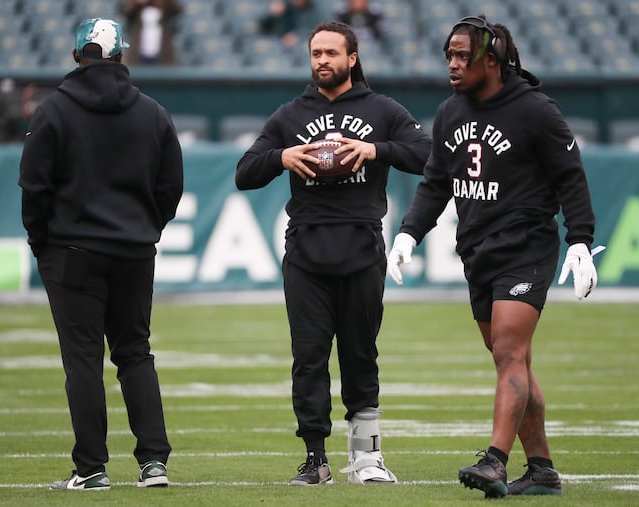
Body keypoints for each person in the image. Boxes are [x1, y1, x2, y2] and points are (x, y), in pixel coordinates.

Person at [387, 15, 598, 498]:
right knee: (514, 360)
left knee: (508, 352)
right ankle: (542, 469)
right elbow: (436, 182)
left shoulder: (536, 111)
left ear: (492, 60)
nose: (453, 65)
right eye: (450, 56)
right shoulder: (449, 112)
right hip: (476, 251)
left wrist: (581, 239)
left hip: (525, 247)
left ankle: (495, 461)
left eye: (463, 57)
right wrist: (408, 235)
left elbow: (571, 176)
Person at [236, 21, 431, 486]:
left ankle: (367, 458)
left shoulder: (381, 109)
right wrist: (280, 156)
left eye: (331, 53)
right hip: (306, 251)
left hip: (362, 246)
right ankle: (315, 459)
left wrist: (375, 148)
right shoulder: (290, 114)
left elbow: (427, 154)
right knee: (308, 358)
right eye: (316, 53)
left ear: (352, 58)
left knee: (361, 354)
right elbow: (245, 173)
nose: (322, 60)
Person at [19, 18, 183, 491]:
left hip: (71, 250)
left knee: (83, 359)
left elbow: (34, 189)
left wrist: (41, 242)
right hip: (134, 250)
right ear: (120, 57)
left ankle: (91, 469)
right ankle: (154, 463)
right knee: (135, 353)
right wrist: (147, 227)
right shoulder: (153, 112)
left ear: (76, 56)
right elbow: (170, 185)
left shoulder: (51, 112)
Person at [121, 0, 182, 65]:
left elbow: (178, 10)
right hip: (138, 55)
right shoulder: (137, 9)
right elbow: (125, 11)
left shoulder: (165, 7)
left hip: (162, 55)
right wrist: (137, 2)